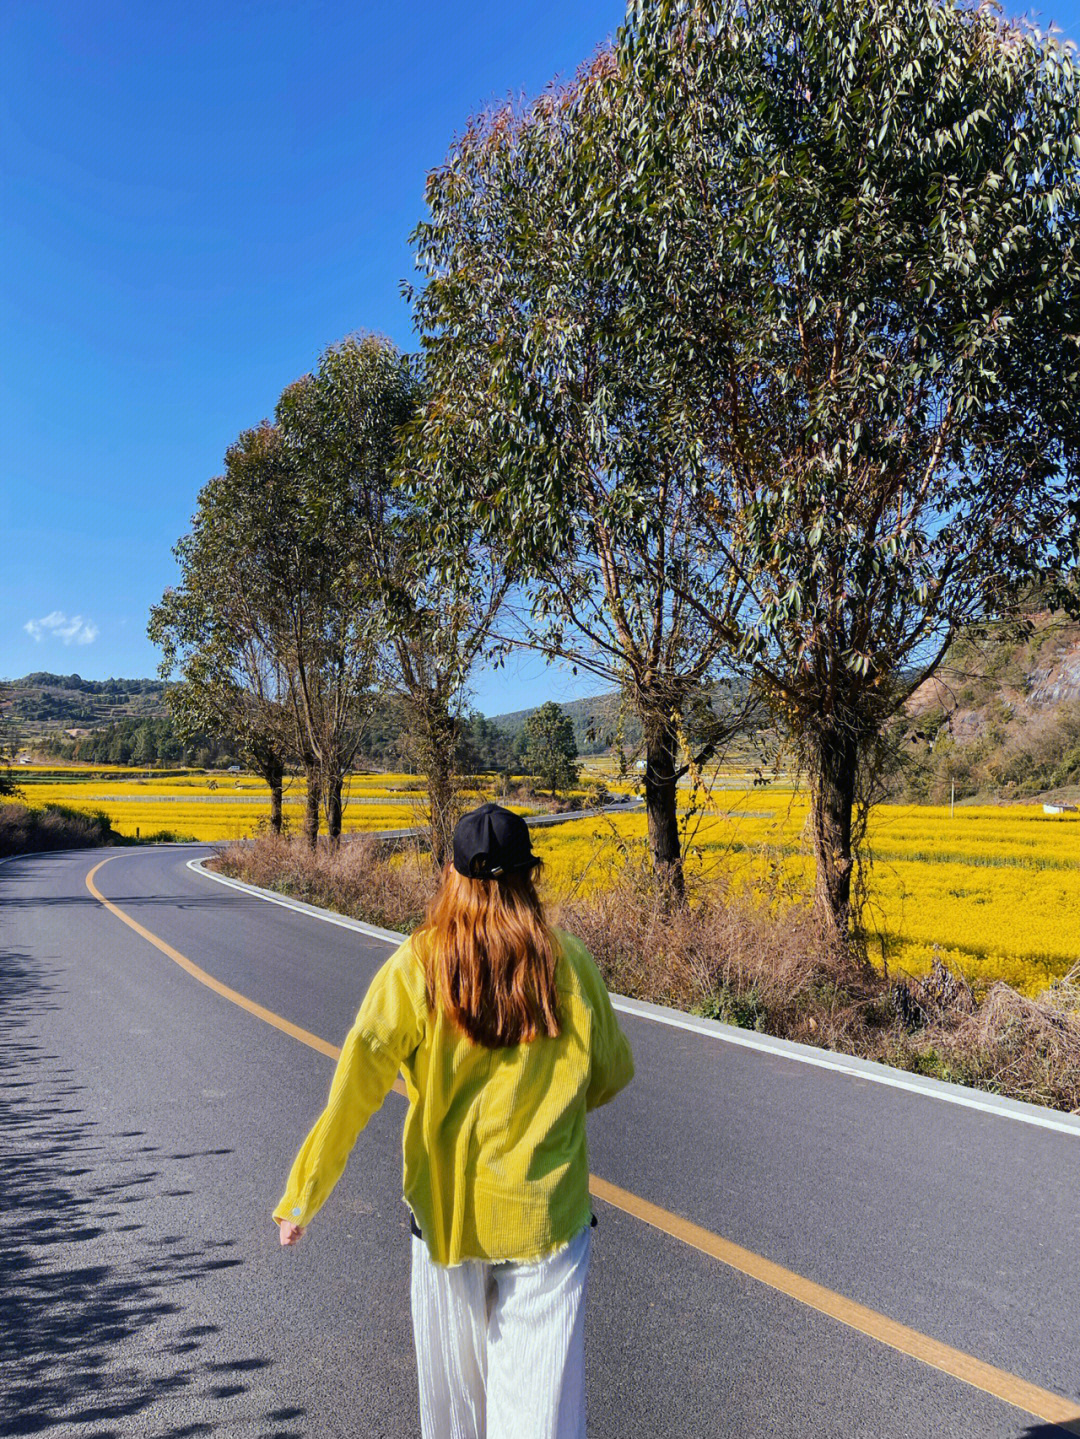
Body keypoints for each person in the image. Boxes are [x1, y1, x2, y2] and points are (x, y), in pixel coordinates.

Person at [274, 801, 634, 1439]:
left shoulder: (417, 966)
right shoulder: (569, 964)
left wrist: (304, 1193)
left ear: (448, 874)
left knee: (453, 1411)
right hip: (545, 1216)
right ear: (532, 875)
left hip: (444, 1216)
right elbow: (607, 1076)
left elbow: (357, 1081)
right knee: (541, 1410)